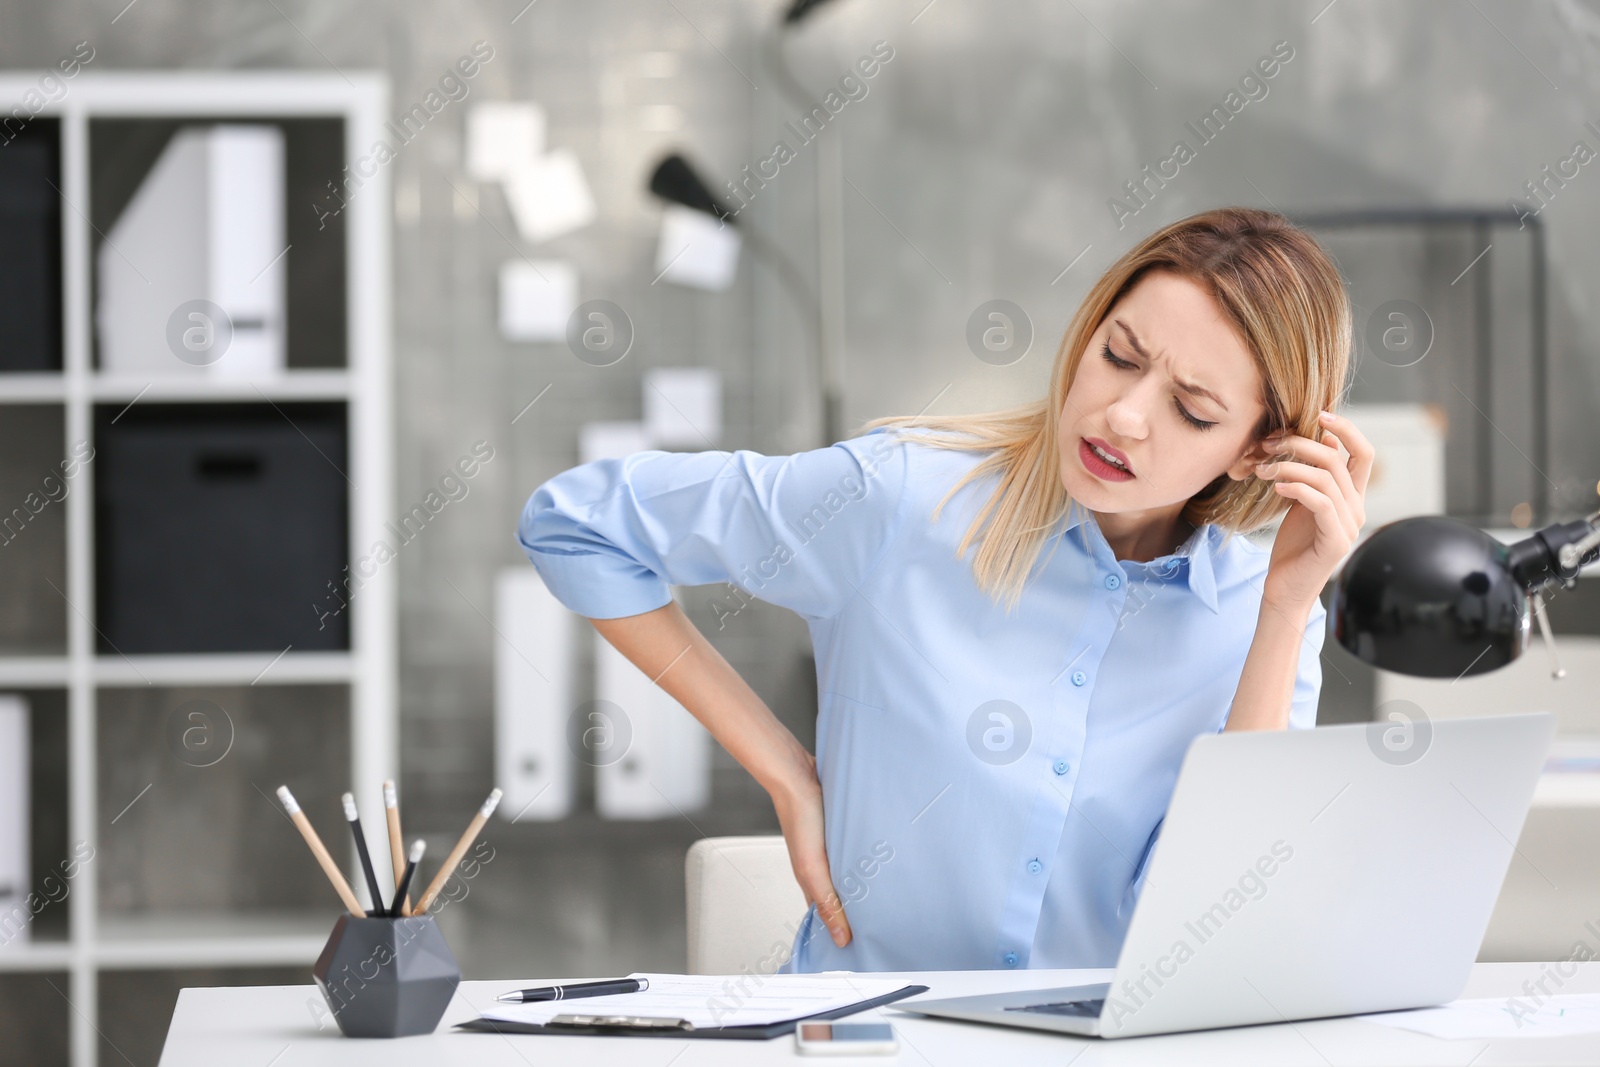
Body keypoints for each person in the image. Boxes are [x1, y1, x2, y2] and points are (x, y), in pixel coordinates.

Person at [517, 207, 1372, 972]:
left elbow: (1210, 930)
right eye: (1118, 356)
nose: (1123, 415)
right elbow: (575, 521)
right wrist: (783, 768)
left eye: (1191, 408)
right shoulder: (897, 500)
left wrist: (1289, 608)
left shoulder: (1265, 614)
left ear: (1262, 450)